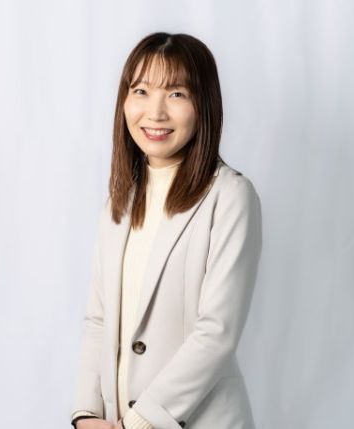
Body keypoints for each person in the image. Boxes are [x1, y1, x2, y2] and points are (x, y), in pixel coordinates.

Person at [70, 32, 262, 429]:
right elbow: (99, 321)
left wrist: (141, 421)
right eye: (141, 91)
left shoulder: (230, 196)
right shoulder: (120, 201)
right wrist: (86, 413)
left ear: (203, 104)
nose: (155, 112)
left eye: (176, 93)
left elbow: (217, 332)